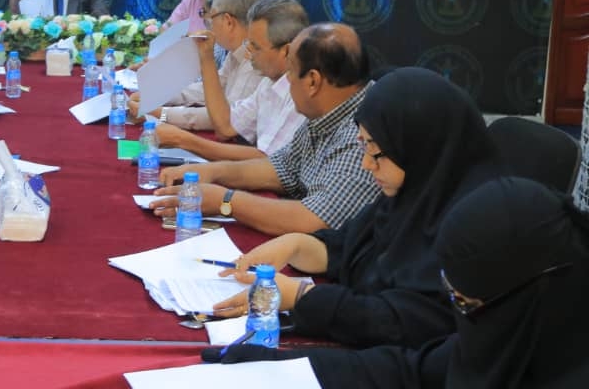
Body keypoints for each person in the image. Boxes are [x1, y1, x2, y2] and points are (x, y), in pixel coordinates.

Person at [213, 67, 501, 350]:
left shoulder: (471, 227)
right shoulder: (413, 192)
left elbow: (403, 325)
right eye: (364, 146)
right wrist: (295, 245)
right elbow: (350, 246)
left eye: (376, 152)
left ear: (419, 146)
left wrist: (302, 297)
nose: (366, 164)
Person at [209, 177, 589, 389]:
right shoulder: (513, 327)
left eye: (466, 304)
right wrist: (275, 367)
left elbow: (404, 327)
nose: (461, 316)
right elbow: (411, 371)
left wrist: (306, 300)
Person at [152, 23, 379, 235]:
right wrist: (213, 172)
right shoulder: (328, 110)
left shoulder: (362, 132)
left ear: (312, 81)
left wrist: (225, 200)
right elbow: (281, 167)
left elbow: (314, 219)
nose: (287, 81)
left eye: (291, 72)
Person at [150, 0, 308, 161]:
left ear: (286, 51)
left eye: (255, 46)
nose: (248, 50)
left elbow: (270, 162)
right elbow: (226, 126)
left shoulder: (301, 93)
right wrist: (206, 57)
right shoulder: (268, 81)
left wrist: (182, 139)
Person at [128, 0, 263, 132]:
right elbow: (208, 90)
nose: (208, 24)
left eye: (211, 18)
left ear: (228, 21)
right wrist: (158, 95)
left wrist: (159, 113)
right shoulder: (235, 52)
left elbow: (223, 120)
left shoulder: (254, 59)